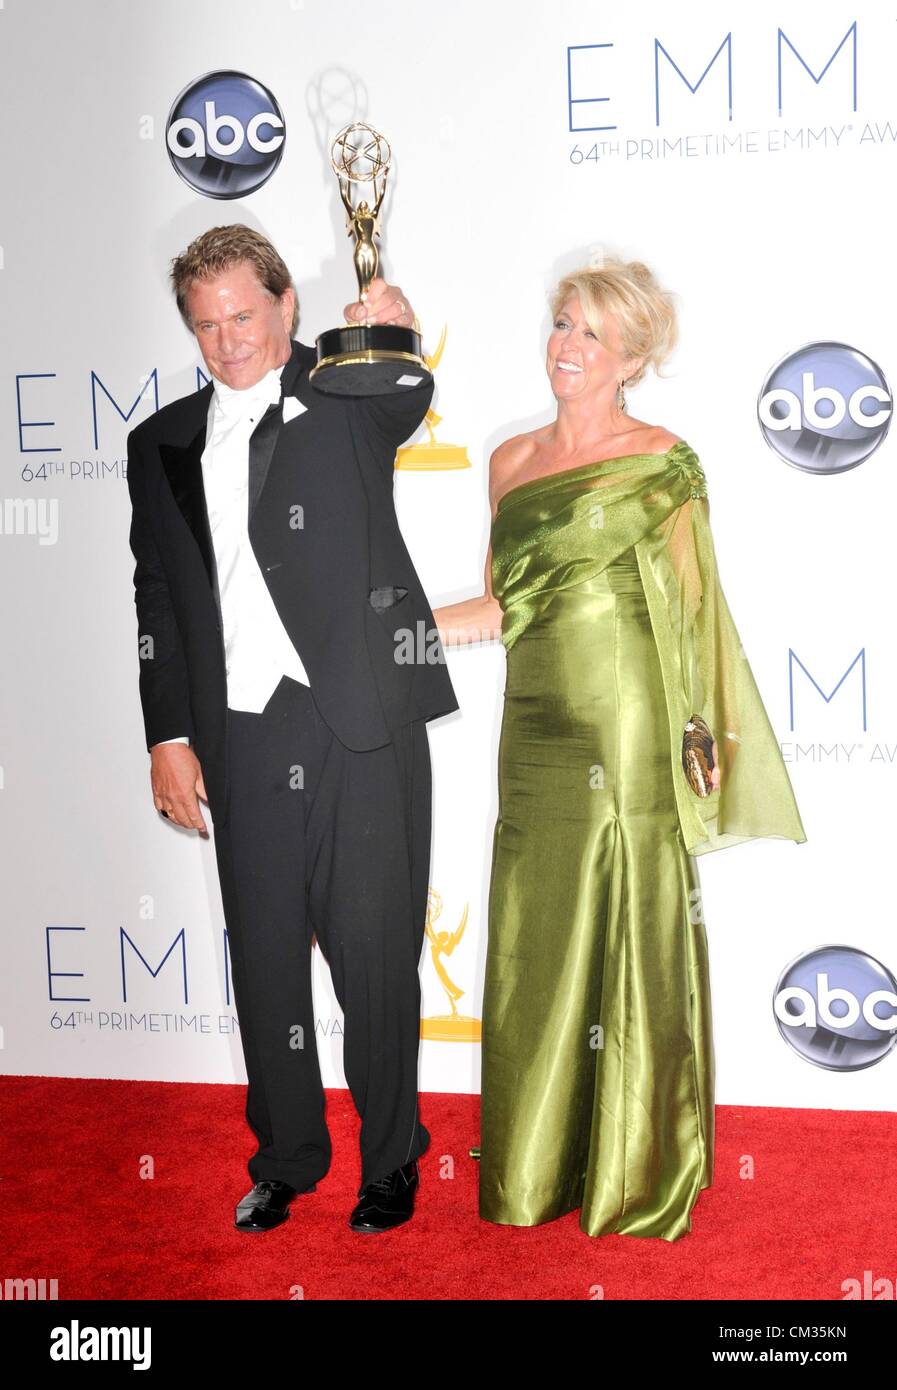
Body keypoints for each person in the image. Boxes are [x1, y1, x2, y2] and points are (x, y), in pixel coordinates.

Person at [433, 257, 806, 1240]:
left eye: (594, 334)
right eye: (562, 324)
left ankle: (635, 1165)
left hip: (628, 721)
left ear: (633, 355)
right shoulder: (508, 462)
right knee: (534, 930)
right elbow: (503, 604)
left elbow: (693, 610)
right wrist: (404, 625)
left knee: (630, 913)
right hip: (538, 725)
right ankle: (536, 1162)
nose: (568, 347)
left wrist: (699, 733)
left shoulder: (662, 460)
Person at [126, 224, 458, 1234]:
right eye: (206, 323)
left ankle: (393, 1153)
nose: (227, 340)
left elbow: (407, 397)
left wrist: (390, 331)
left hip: (359, 717)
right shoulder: (160, 443)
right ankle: (287, 1153)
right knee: (266, 954)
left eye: (243, 314)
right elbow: (157, 598)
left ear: (285, 307)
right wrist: (167, 732)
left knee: (373, 951)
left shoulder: (346, 388)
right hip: (238, 730)